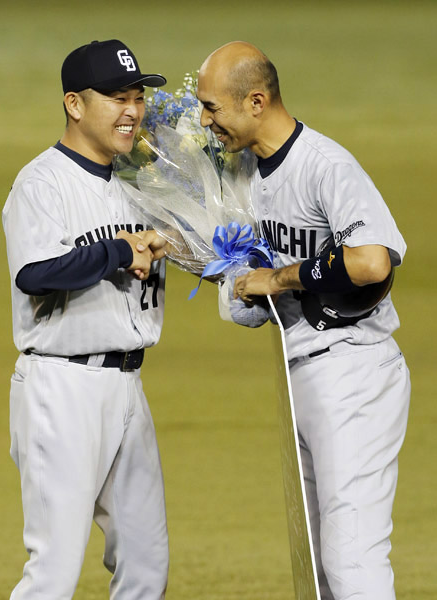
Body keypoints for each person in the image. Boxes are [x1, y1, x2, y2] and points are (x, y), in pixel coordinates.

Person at [197, 41, 410, 600]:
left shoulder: (325, 165)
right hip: (302, 371)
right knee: (320, 566)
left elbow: (371, 262)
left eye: (212, 107)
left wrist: (279, 278)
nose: (205, 121)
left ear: (256, 101)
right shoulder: (246, 173)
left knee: (351, 558)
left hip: (354, 369)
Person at [2, 39, 169, 600]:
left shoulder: (142, 183)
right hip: (62, 388)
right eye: (117, 97)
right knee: (54, 571)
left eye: (138, 97)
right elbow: (35, 273)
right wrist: (119, 251)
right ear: (74, 104)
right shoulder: (42, 182)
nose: (132, 110)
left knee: (146, 564)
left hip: (128, 387)